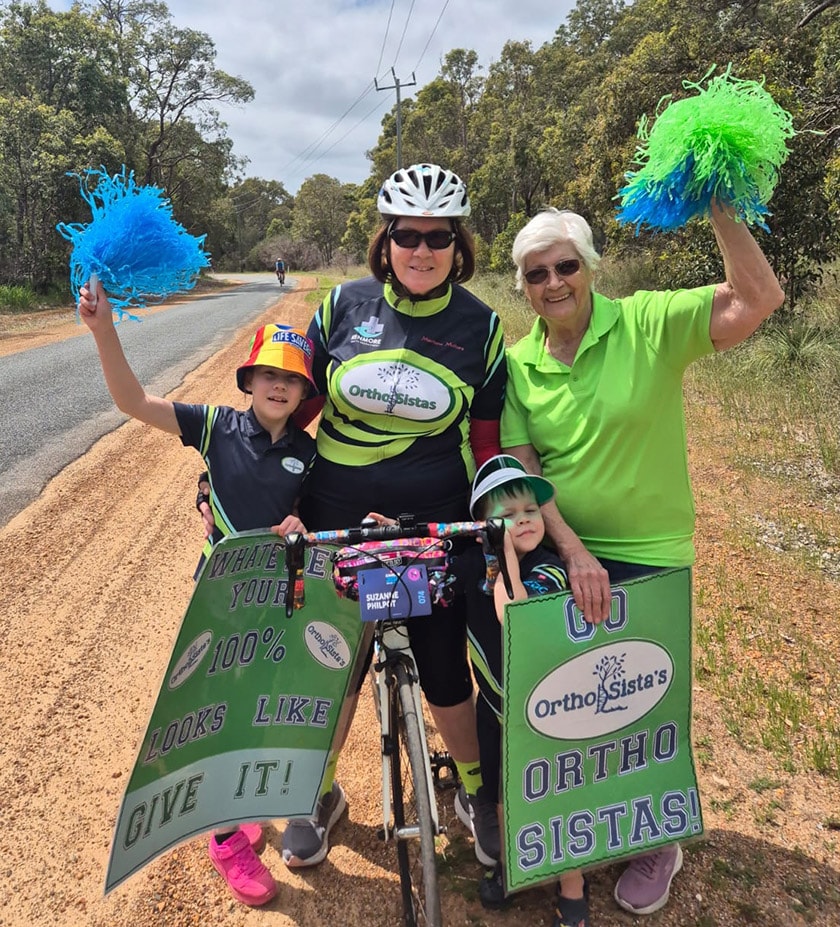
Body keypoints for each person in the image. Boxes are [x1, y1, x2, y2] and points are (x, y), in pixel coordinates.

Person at [501, 204, 785, 916]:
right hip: (565, 554)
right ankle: (583, 825)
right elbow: (526, 468)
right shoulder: (519, 365)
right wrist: (573, 550)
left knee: (644, 701)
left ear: (591, 267)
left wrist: (718, 205)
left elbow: (758, 300)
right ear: (523, 287)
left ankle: (659, 839)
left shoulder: (648, 322)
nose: (554, 282)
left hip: (651, 553)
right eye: (536, 274)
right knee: (573, 705)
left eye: (566, 266)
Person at [273, 162, 508, 869]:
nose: (422, 250)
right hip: (335, 516)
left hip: (431, 521)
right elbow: (292, 408)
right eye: (408, 235)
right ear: (387, 240)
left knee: (444, 668)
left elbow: (486, 442)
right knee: (334, 664)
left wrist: (503, 517)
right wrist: (248, 474)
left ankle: (476, 793)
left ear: (458, 244)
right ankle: (315, 793)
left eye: (438, 237)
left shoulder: (482, 326)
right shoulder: (342, 306)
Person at [79, 282, 317, 907]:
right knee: (214, 716)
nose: (278, 386)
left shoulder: (309, 453)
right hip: (218, 599)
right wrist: (105, 330)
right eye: (268, 374)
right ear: (248, 380)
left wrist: (302, 524)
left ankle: (236, 806)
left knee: (259, 708)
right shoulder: (215, 427)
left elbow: (314, 521)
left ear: (304, 394)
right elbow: (134, 401)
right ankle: (225, 841)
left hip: (277, 602)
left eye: (291, 380)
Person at [454, 454, 591, 926]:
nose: (525, 519)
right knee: (500, 789)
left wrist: (503, 553)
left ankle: (573, 888)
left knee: (556, 795)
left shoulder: (549, 569)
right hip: (494, 706)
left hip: (547, 712)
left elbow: (512, 612)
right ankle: (515, 866)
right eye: (508, 514)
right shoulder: (470, 563)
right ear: (482, 525)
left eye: (531, 510)